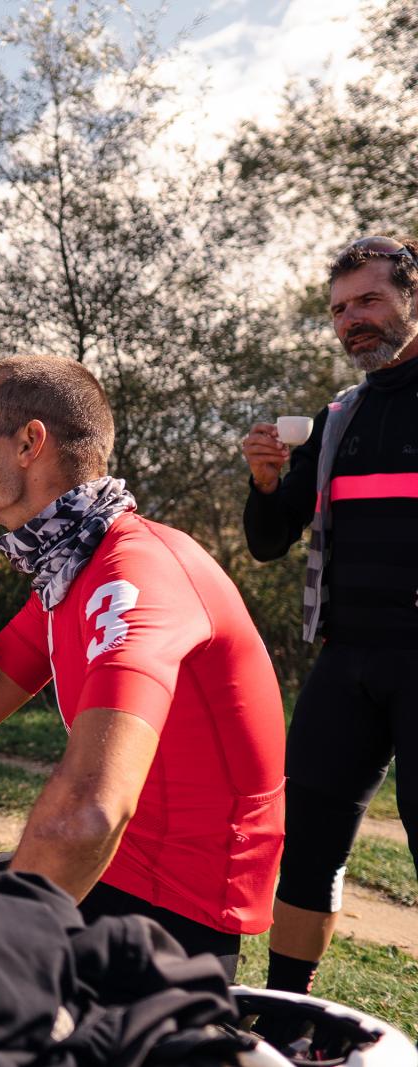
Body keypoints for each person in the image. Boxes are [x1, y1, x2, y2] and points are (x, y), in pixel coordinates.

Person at [0, 355, 285, 978]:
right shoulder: (72, 568)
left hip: (169, 914)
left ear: (29, 443)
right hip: (109, 874)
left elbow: (89, 813)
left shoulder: (132, 573)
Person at [240, 234, 418, 995]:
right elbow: (269, 540)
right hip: (347, 659)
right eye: (341, 309)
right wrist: (264, 480)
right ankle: (286, 1013)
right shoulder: (338, 416)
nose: (353, 321)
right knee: (307, 842)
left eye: (369, 300)